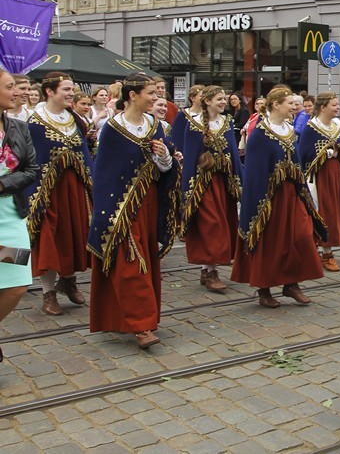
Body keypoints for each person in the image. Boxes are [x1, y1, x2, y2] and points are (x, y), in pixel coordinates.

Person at [88, 74, 180, 349]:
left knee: (146, 259)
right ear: (132, 95)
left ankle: (139, 318)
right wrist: (106, 213)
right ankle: (141, 326)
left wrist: (164, 156)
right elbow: (105, 173)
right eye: (150, 93)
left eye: (156, 93)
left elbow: (165, 169)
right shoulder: (113, 129)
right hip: (121, 207)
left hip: (148, 203)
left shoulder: (155, 125)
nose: (155, 98)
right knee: (131, 261)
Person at [230, 86, 326, 308]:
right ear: (275, 105)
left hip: (292, 194)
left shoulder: (290, 130)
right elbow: (254, 172)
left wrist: (300, 184)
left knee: (301, 235)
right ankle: (265, 288)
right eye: (290, 103)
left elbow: (297, 161)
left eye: (295, 103)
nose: (295, 106)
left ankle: (291, 283)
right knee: (270, 242)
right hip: (269, 199)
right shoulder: (261, 134)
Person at [26, 72, 93, 316]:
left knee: (73, 233)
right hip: (46, 191)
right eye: (66, 89)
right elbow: (31, 159)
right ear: (50, 92)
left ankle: (68, 280)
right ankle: (48, 293)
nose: (71, 93)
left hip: (73, 188)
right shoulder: (35, 122)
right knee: (49, 239)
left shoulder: (74, 119)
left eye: (72, 88)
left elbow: (84, 152)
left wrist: (91, 181)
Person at [181, 86, 242, 292]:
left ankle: (207, 269)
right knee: (211, 225)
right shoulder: (193, 124)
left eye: (224, 98)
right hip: (203, 184)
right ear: (207, 101)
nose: (223, 102)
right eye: (219, 99)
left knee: (222, 223)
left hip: (223, 182)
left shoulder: (227, 122)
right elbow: (189, 158)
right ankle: (211, 271)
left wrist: (239, 180)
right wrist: (187, 190)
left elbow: (233, 153)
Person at [0, 69, 40, 363]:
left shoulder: (18, 127)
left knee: (17, 285)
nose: (18, 92)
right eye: (10, 87)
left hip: (11, 217)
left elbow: (31, 171)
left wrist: (2, 184)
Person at [298, 92, 340, 272]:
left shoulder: (337, 126)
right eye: (334, 105)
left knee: (334, 210)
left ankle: (326, 249)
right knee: (322, 210)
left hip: (337, 175)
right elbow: (304, 155)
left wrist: (337, 152)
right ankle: (324, 252)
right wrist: (327, 152)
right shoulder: (311, 128)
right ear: (323, 107)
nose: (337, 107)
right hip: (318, 177)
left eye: (337, 104)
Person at [170, 84, 204, 152]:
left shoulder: (208, 114)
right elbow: (177, 136)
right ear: (192, 98)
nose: (204, 98)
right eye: (201, 96)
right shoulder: (183, 114)